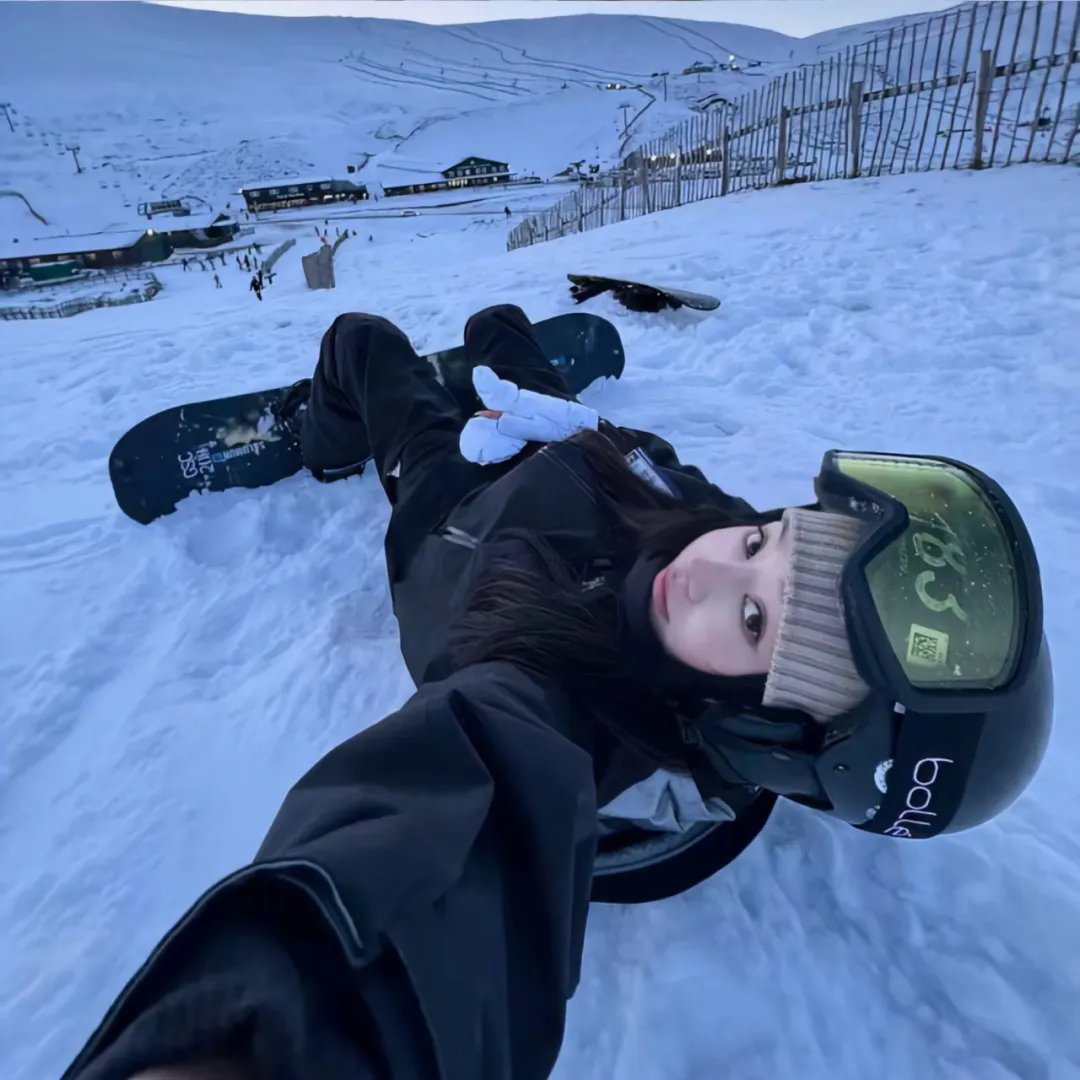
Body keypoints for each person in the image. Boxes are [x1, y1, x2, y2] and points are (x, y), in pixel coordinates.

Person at [62, 305, 1052, 1080]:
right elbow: (713, 514)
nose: (714, 569)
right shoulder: (733, 623)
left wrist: (257, 1040)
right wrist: (604, 439)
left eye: (753, 621)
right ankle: (497, 364)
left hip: (457, 506)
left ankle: (333, 429)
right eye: (764, 545)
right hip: (568, 455)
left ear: (772, 734)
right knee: (500, 329)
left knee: (365, 342)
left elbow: (451, 847)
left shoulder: (569, 724)